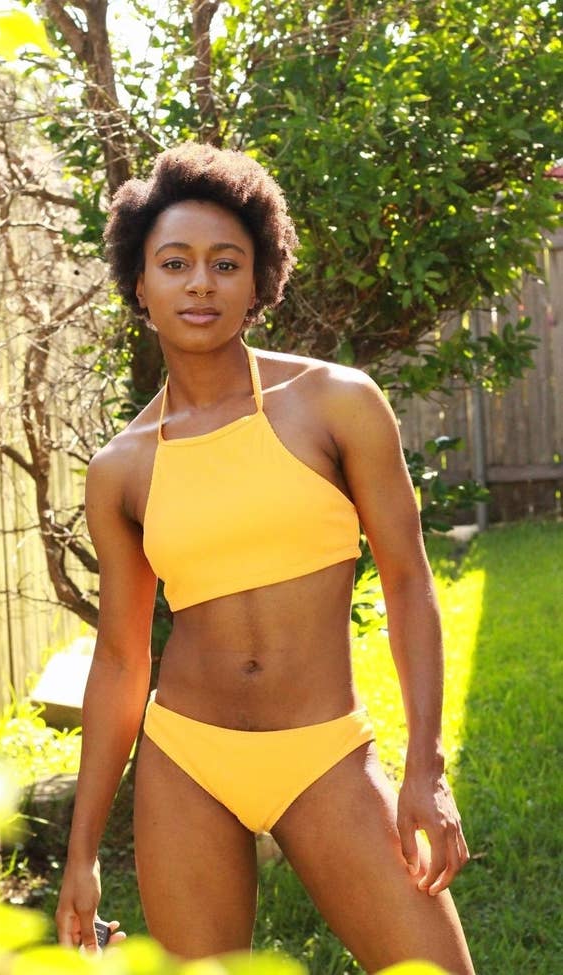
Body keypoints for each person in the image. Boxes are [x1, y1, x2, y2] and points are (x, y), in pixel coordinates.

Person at [55, 142, 475, 974]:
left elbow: (408, 580)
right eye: (175, 263)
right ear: (140, 286)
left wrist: (426, 768)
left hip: (325, 752)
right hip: (186, 759)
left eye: (225, 263)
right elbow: (121, 658)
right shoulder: (121, 468)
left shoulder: (336, 403)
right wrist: (83, 851)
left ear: (258, 283)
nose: (200, 283)